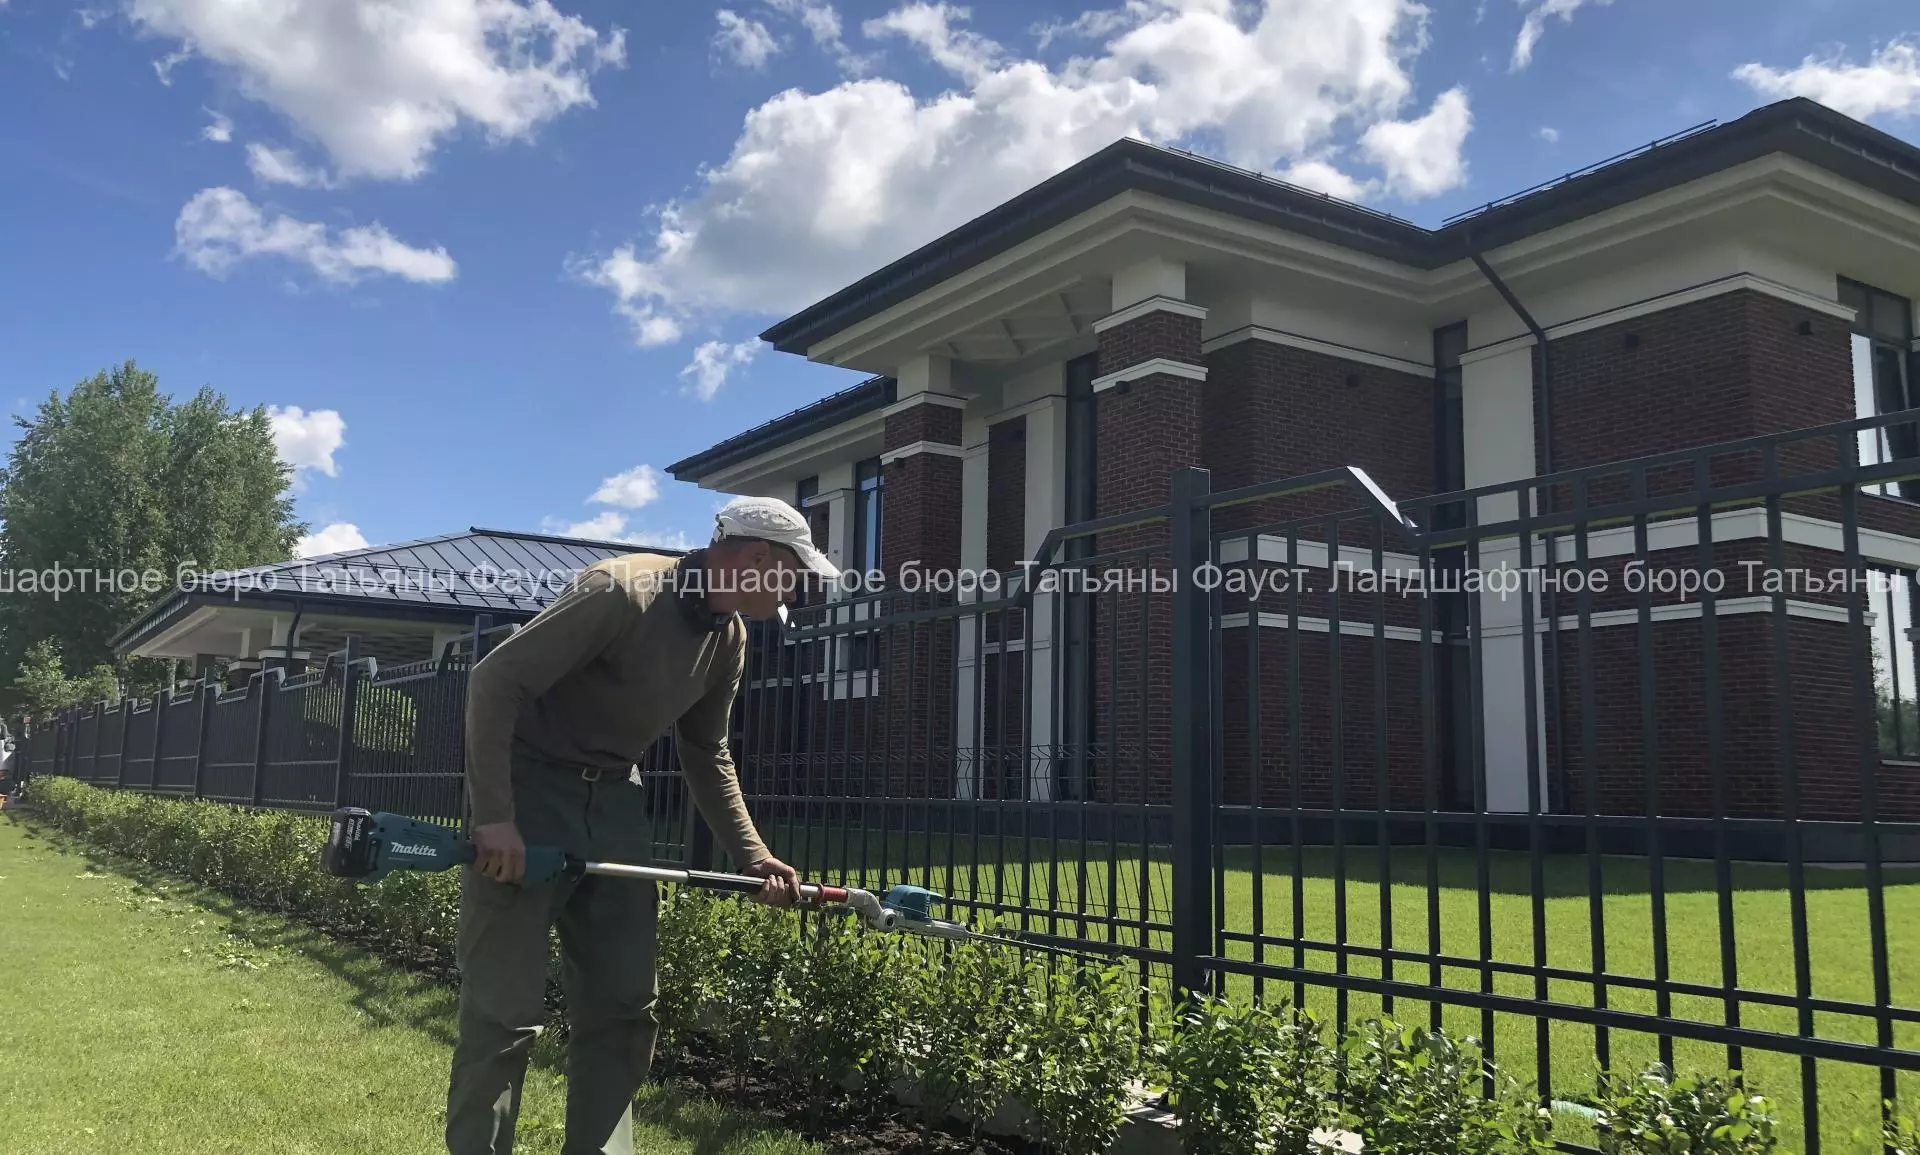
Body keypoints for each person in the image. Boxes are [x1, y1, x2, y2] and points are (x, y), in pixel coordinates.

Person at [445, 495, 841, 1155]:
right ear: (758, 557)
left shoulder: (729, 638)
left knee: (625, 1006)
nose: (795, 590)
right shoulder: (620, 592)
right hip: (529, 793)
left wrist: (752, 854)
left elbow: (706, 750)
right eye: (794, 573)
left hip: (616, 804)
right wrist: (495, 818)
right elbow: (494, 680)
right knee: (502, 1013)